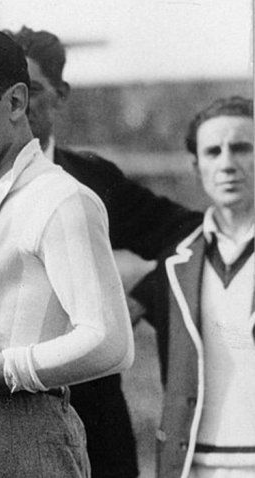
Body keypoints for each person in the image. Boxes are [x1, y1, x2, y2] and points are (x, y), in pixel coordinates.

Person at [0, 25, 201, 478]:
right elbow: (0, 335)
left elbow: (110, 343)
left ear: (15, 102)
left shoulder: (61, 199)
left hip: (28, 434)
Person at [131, 96, 254, 478]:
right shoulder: (177, 263)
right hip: (193, 465)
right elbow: (107, 331)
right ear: (196, 165)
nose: (227, 164)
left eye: (242, 148)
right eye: (213, 152)